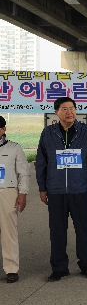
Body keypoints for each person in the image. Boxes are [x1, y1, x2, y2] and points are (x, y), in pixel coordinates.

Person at [36, 97, 87, 282]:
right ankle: (59, 267)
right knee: (57, 230)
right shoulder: (48, 133)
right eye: (64, 109)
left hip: (81, 188)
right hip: (56, 190)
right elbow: (42, 162)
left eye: (72, 108)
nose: (69, 112)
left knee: (84, 229)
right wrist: (42, 187)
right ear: (56, 112)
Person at [0, 116, 29, 283]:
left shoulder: (14, 148)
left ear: (3, 130)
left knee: (9, 232)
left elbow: (23, 172)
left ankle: (11, 269)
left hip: (8, 192)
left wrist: (23, 193)